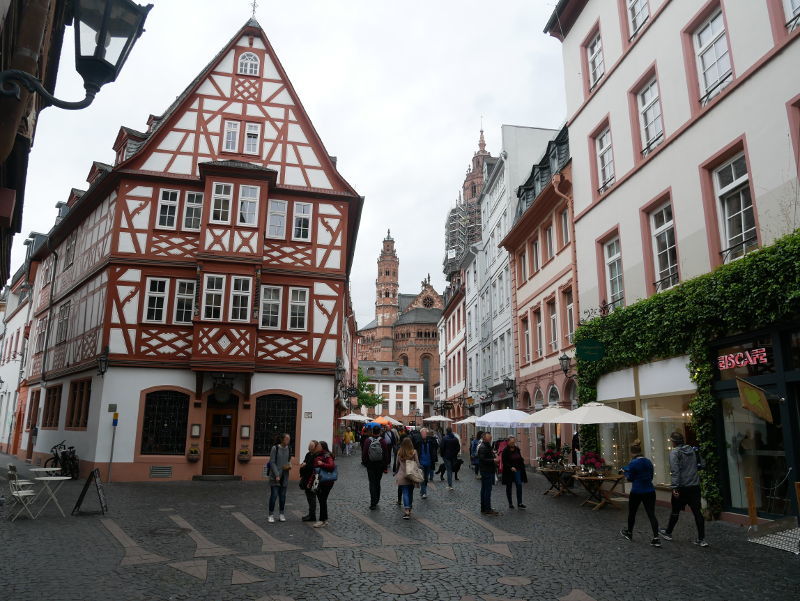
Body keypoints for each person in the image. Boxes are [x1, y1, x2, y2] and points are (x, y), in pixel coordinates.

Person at [660, 431, 708, 547]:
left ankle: (668, 532)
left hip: (682, 487)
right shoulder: (692, 450)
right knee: (697, 512)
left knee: (675, 511)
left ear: (673, 442)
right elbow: (703, 464)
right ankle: (701, 539)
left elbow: (675, 471)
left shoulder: (675, 452)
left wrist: (675, 487)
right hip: (694, 486)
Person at [620, 440, 660, 547]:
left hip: (637, 491)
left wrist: (625, 473)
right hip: (650, 491)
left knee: (632, 513)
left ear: (631, 452)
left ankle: (629, 533)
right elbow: (651, 476)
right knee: (651, 514)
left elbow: (630, 478)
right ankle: (656, 538)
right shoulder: (648, 462)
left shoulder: (633, 463)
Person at [362, 424, 390, 509]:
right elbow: (386, 454)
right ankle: (377, 499)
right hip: (380, 465)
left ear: (372, 432)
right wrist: (385, 466)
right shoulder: (382, 441)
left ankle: (373, 502)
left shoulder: (368, 441)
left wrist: (365, 463)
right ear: (379, 432)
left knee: (372, 483)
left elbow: (364, 453)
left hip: (370, 465)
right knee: (377, 482)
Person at [267, 433, 292, 523]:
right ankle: (270, 515)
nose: (288, 441)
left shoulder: (289, 448)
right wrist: (277, 474)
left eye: (289, 439)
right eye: (286, 439)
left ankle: (281, 514)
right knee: (274, 495)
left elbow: (288, 460)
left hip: (285, 476)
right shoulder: (275, 448)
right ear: (282, 439)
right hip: (275, 476)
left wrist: (289, 465)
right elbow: (272, 462)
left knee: (283, 496)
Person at [395, 437, 420, 519]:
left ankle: (406, 510)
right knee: (410, 492)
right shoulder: (414, 452)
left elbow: (397, 464)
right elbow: (418, 463)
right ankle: (409, 507)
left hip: (402, 475)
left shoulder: (400, 452)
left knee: (405, 492)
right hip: (411, 475)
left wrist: (396, 471)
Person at [312, 441, 336, 528]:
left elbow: (331, 465)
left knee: (322, 500)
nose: (317, 447)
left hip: (326, 481)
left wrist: (322, 464)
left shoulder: (326, 455)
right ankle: (324, 519)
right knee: (322, 500)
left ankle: (321, 520)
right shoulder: (320, 454)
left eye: (318, 445)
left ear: (323, 447)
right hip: (321, 480)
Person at [501, 436, 527, 509]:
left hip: (517, 470)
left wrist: (522, 461)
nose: (513, 443)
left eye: (514, 442)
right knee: (509, 486)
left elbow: (519, 457)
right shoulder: (505, 451)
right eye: (512, 442)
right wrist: (510, 467)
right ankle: (510, 503)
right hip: (509, 471)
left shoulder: (517, 449)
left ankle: (520, 503)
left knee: (519, 485)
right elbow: (504, 462)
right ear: (508, 442)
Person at [413, 427, 439, 499]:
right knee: (422, 478)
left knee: (426, 478)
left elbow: (436, 447)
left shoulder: (430, 442)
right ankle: (424, 493)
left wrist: (433, 439)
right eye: (422, 433)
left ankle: (422, 491)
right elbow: (414, 451)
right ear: (420, 434)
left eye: (425, 433)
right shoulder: (418, 442)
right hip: (421, 463)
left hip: (429, 462)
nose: (424, 434)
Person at [477, 432, 499, 515]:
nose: (491, 438)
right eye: (489, 437)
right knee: (487, 490)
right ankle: (487, 509)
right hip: (486, 471)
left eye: (491, 437)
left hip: (487, 470)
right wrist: (493, 460)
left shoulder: (486, 446)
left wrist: (493, 453)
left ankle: (484, 507)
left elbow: (486, 457)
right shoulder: (483, 447)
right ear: (485, 438)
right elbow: (482, 459)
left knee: (484, 489)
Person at [298, 439, 319, 522]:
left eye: (311, 446)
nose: (309, 447)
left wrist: (305, 465)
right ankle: (311, 514)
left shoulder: (316, 456)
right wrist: (303, 465)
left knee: (312, 497)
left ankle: (312, 515)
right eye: (309, 445)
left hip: (312, 479)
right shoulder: (308, 454)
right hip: (306, 478)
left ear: (315, 447)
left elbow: (311, 467)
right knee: (309, 497)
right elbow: (304, 463)